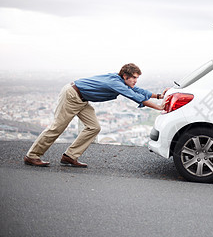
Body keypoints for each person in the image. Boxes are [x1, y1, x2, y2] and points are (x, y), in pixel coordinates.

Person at [24, 63, 169, 168]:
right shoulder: (116, 83)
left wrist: (158, 96)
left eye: (137, 78)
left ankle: (69, 156)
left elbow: (137, 89)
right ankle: (32, 156)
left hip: (81, 99)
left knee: (94, 127)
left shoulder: (120, 80)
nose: (135, 81)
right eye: (133, 78)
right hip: (72, 96)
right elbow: (136, 96)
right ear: (125, 76)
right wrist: (159, 107)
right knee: (57, 127)